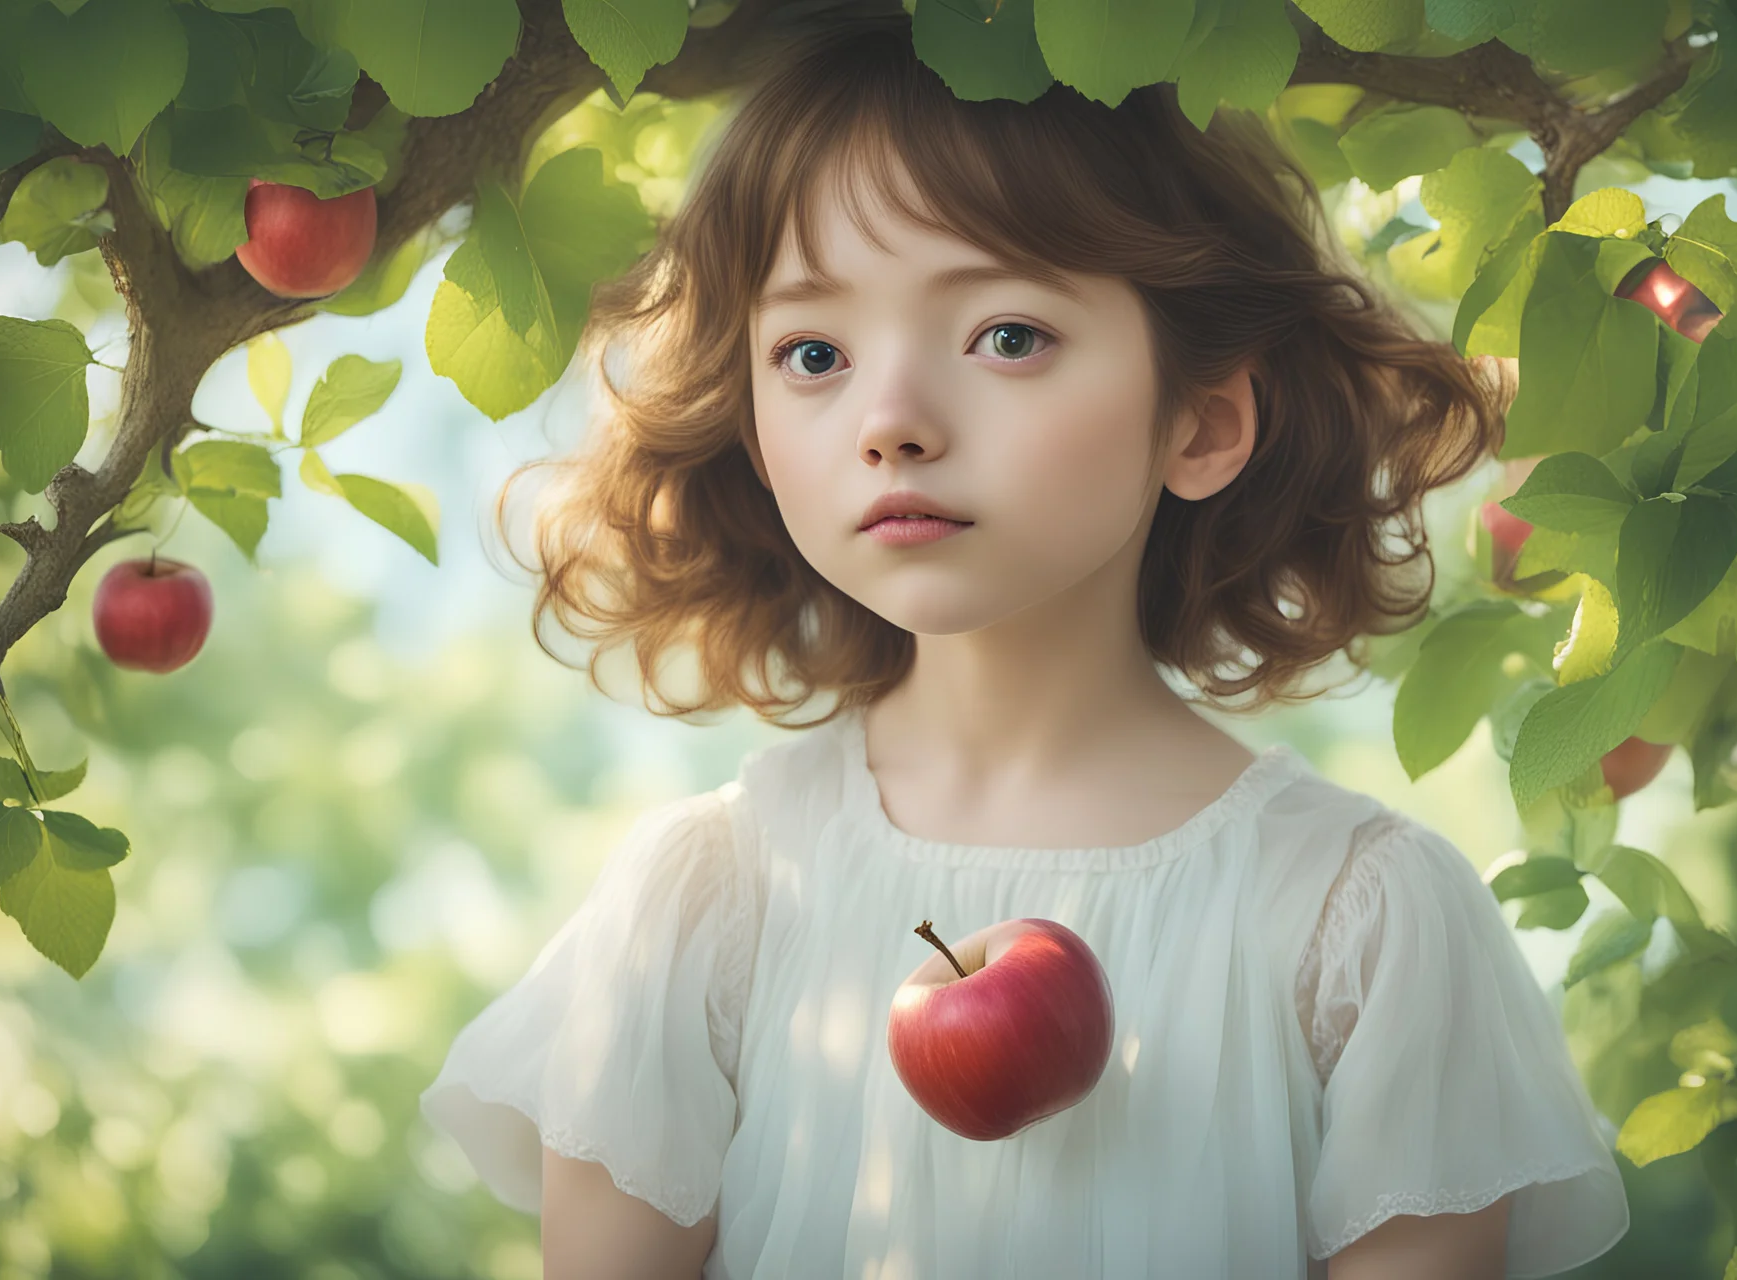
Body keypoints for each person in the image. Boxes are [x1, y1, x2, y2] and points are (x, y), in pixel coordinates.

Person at [419, 10, 1629, 1278]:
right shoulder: (704, 902)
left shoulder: (1362, 922)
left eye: (1007, 335)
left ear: (1204, 421)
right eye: (814, 352)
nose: (891, 419)